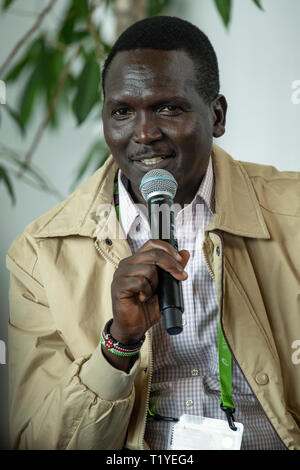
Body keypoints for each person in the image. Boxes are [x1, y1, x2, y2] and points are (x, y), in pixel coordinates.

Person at [6, 16, 300, 450]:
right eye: (122, 112)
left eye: (168, 108)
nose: (144, 134)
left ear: (216, 116)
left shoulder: (292, 212)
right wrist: (117, 345)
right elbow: (38, 441)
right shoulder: (41, 253)